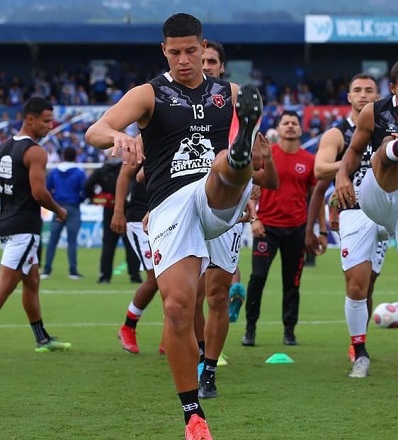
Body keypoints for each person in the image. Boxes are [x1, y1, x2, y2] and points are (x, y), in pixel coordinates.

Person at [85, 13, 262, 439]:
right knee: (178, 308)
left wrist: (252, 191)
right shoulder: (149, 94)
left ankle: (236, 160)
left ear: (204, 49)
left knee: (223, 165)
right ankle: (193, 415)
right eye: (176, 52)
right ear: (164, 51)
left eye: (191, 51)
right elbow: (95, 130)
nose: (184, 60)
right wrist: (117, 137)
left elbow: (266, 158)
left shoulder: (230, 94)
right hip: (170, 204)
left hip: (216, 193)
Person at [336, 58, 398, 397]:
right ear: (392, 89)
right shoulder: (374, 112)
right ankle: (360, 353)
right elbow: (353, 151)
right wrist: (341, 176)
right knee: (357, 286)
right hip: (374, 195)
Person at [197, 39, 280, 399]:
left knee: (216, 295)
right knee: (187, 297)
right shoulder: (171, 102)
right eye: (201, 60)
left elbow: (268, 179)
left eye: (211, 61)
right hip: (184, 205)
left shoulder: (235, 107)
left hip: (226, 212)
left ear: (221, 67)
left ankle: (208, 370)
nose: (205, 66)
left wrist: (265, 159)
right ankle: (198, 353)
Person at [306, 73, 386, 377]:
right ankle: (359, 348)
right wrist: (353, 161)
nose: (363, 95)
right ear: (349, 97)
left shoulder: (387, 128)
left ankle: (361, 336)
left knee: (370, 283)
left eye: (369, 90)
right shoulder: (337, 134)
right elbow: (319, 169)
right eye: (357, 90)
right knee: (356, 284)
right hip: (354, 210)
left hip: (386, 212)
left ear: (377, 97)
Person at [0, 97, 72, 352]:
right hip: (24, 228)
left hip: (8, 223)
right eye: (46, 120)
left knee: (31, 281)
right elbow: (39, 193)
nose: (50, 126)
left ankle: (42, 338)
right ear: (30, 119)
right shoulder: (35, 152)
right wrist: (59, 210)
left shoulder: (5, 147)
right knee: (5, 286)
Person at [242, 110, 318, 347]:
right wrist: (254, 219)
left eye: (294, 123)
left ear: (301, 129)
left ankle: (289, 331)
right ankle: (250, 329)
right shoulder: (267, 154)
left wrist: (316, 228)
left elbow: (314, 196)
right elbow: (250, 187)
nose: (290, 126)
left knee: (292, 282)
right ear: (279, 128)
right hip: (267, 228)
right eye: (286, 123)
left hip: (296, 228)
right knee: (257, 278)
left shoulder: (309, 160)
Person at [111, 164, 158, 354]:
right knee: (156, 278)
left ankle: (173, 334)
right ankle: (128, 326)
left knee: (176, 279)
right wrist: (118, 211)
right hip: (140, 219)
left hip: (169, 215)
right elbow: (131, 174)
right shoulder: (143, 146)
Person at [84, 153, 141, 284]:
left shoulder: (102, 170)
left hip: (110, 208)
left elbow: (87, 186)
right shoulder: (128, 167)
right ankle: (135, 275)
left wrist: (97, 198)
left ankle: (105, 275)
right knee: (130, 243)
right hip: (127, 208)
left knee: (108, 244)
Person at [41, 146, 86, 280]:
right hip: (73, 207)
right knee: (72, 241)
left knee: (52, 240)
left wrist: (54, 202)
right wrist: (79, 200)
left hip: (58, 207)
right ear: (75, 157)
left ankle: (47, 270)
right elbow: (84, 190)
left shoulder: (55, 172)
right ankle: (73, 271)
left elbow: (47, 189)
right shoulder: (79, 172)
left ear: (63, 156)